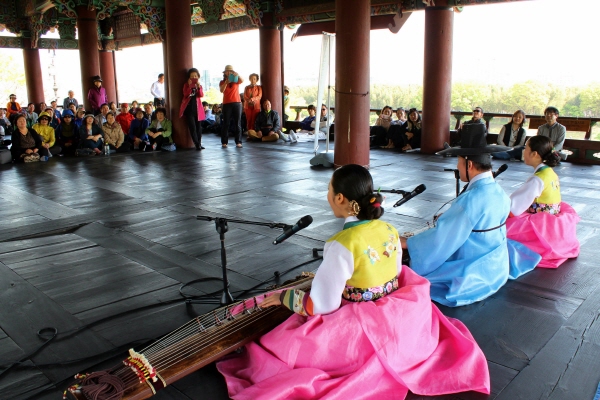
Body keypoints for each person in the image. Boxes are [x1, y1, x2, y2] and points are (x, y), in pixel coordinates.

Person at [217, 164, 491, 399]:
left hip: (359, 327)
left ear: (339, 198)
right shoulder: (389, 229)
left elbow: (322, 305)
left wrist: (284, 297)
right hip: (396, 315)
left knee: (278, 345)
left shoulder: (340, 243)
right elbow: (394, 274)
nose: (326, 196)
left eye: (328, 191)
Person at [403, 124, 539, 307]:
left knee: (406, 271)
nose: (458, 168)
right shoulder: (498, 191)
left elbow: (442, 238)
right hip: (496, 265)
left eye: (458, 162)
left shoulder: (471, 200)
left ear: (469, 164)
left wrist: (409, 243)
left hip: (472, 269)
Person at [506, 136, 580, 268]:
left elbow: (515, 208)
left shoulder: (537, 179)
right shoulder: (550, 172)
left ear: (534, 154)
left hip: (542, 224)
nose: (523, 151)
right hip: (553, 221)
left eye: (525, 148)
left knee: (504, 228)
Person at [179, 68, 206, 150]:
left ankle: (199, 143)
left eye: (195, 76)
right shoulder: (186, 85)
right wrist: (190, 86)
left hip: (197, 109)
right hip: (189, 109)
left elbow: (201, 95)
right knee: (192, 127)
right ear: (189, 77)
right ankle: (196, 144)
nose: (194, 77)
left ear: (198, 77)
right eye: (192, 76)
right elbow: (186, 94)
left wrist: (198, 87)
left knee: (199, 127)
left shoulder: (199, 86)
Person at [219, 65, 244, 148]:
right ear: (225, 73)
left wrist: (237, 74)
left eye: (231, 71)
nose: (229, 72)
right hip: (226, 104)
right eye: (227, 71)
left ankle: (238, 141)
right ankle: (224, 142)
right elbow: (221, 90)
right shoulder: (222, 82)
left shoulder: (236, 80)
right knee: (226, 123)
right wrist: (226, 82)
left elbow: (242, 80)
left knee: (238, 123)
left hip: (237, 103)